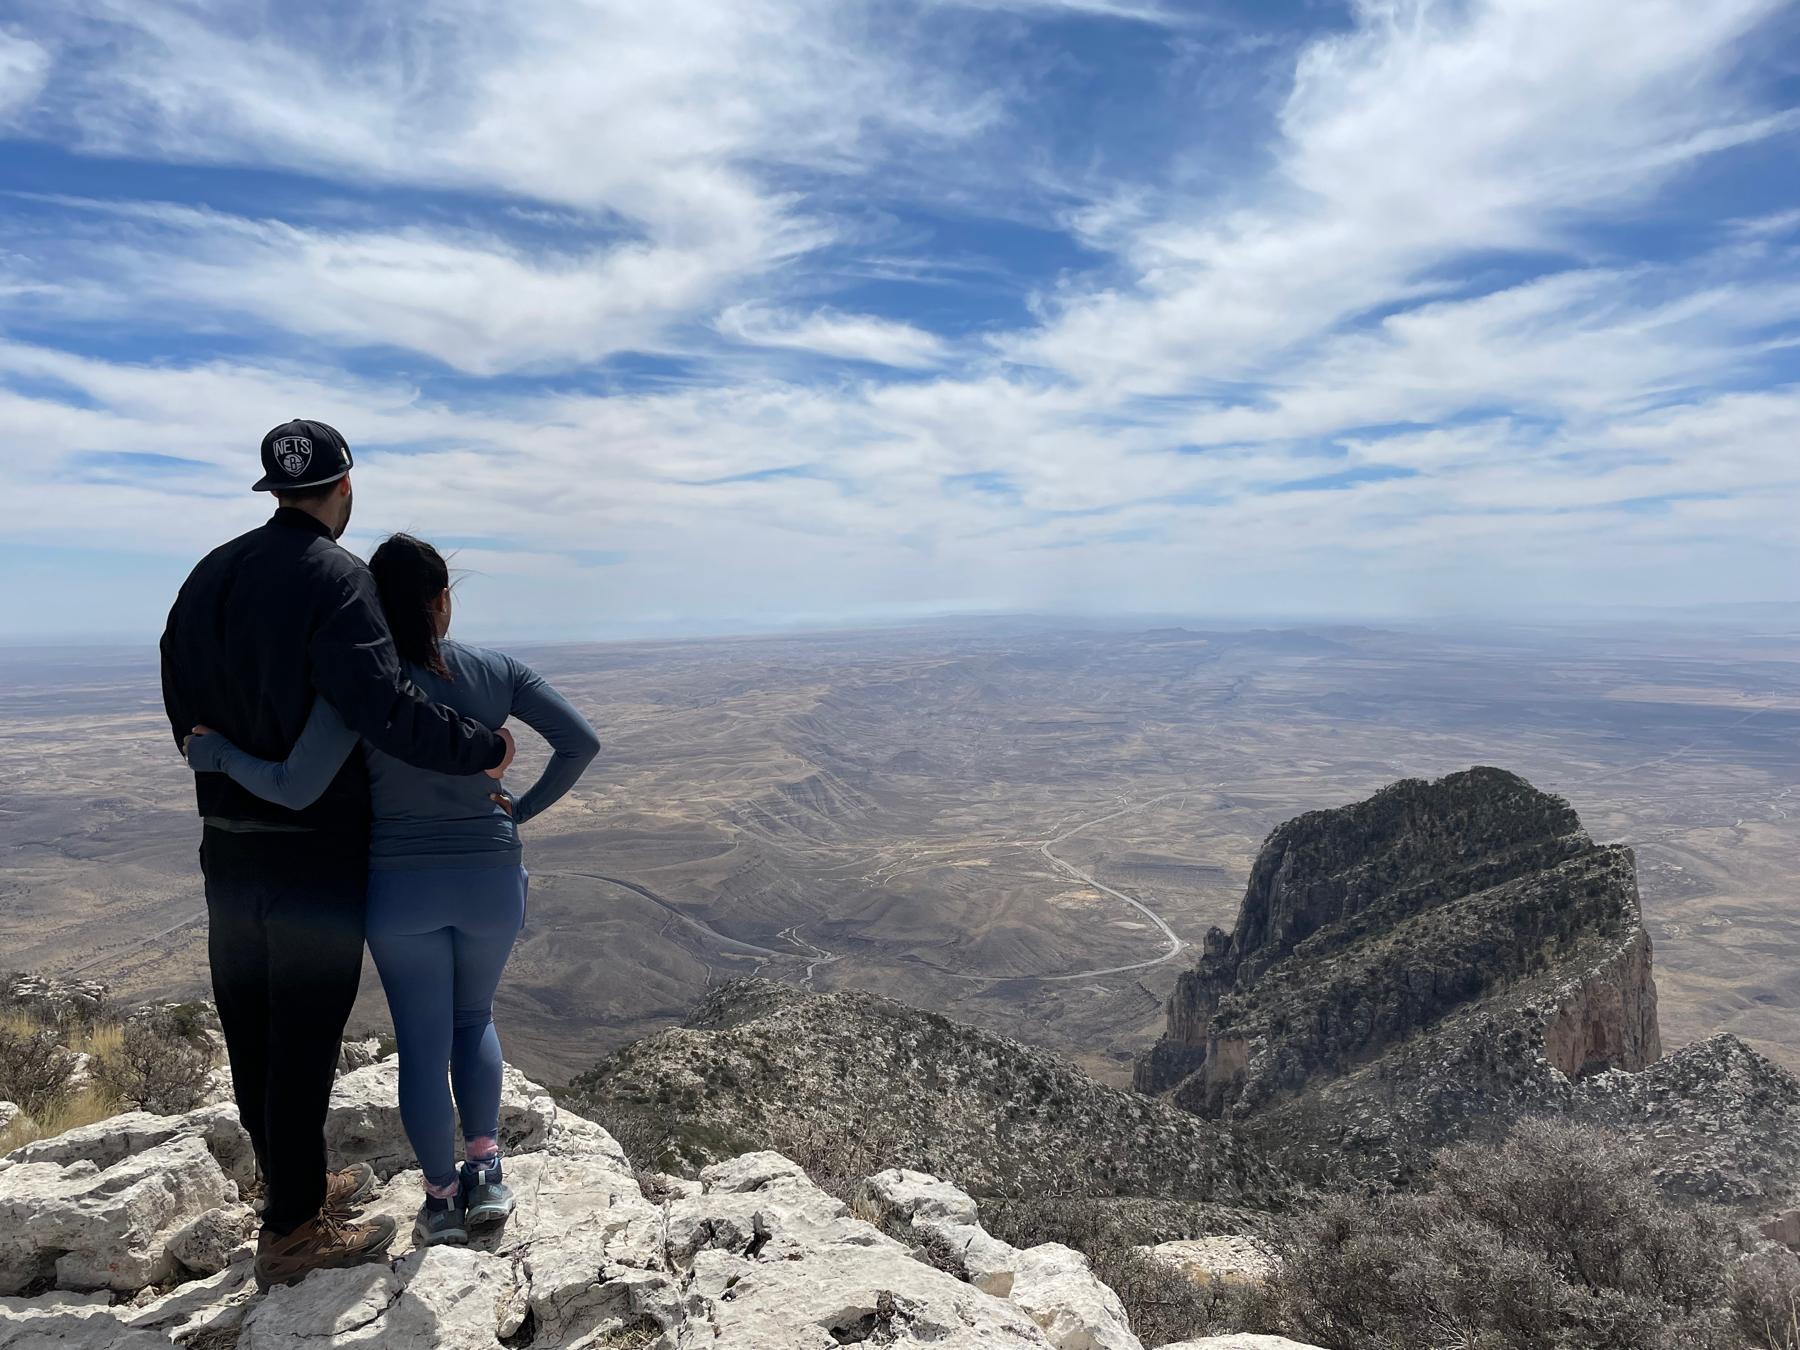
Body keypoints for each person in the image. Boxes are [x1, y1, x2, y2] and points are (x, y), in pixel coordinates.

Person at [161, 420, 516, 1289]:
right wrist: (483, 747)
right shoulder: (340, 582)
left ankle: (293, 1187)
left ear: (271, 490)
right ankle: (292, 1232)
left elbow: (178, 690)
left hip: (229, 849)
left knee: (253, 1030)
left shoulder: (209, 571)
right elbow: (382, 704)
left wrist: (214, 759)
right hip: (313, 854)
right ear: (344, 490)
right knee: (306, 1038)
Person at [185, 532, 600, 1249]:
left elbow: (293, 785)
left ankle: (439, 1199)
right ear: (443, 601)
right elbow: (580, 742)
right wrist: (520, 809)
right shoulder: (497, 670)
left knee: (421, 1039)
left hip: (400, 888)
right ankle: (487, 1175)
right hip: (490, 879)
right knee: (474, 1020)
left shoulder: (362, 690)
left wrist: (216, 752)